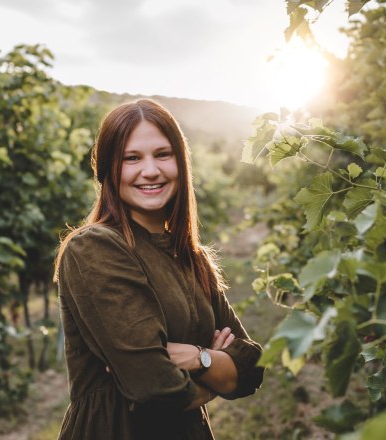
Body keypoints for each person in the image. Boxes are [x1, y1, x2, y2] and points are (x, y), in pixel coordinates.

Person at [53, 99, 264, 439]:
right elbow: (154, 385)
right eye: (131, 158)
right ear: (109, 169)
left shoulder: (192, 258)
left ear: (180, 163)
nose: (150, 170)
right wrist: (213, 379)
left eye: (163, 155)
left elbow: (252, 366)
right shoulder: (94, 247)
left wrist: (197, 358)